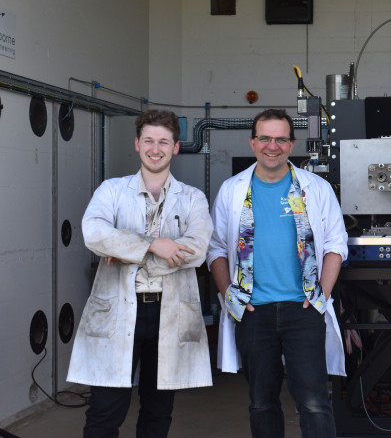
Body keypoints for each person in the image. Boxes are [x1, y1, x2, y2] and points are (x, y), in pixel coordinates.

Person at [67, 109, 213, 438]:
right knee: (105, 411)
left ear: (176, 147)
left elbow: (196, 251)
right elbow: (93, 233)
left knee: (157, 413)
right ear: (137, 144)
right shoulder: (111, 191)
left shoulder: (193, 199)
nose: (155, 148)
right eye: (148, 140)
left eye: (164, 141)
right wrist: (153, 245)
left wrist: (125, 252)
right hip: (119, 311)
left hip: (168, 313)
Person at [207, 108, 348, 438]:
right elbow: (214, 249)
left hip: (304, 309)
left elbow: (336, 245)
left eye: (281, 139)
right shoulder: (232, 190)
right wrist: (231, 296)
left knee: (313, 402)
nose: (273, 146)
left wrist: (322, 296)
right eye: (265, 138)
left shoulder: (315, 188)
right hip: (254, 311)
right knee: (261, 402)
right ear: (253, 142)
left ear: (292, 144)